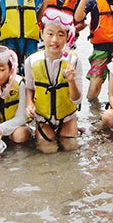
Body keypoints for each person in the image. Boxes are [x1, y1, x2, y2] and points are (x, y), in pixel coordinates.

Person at [24, 8, 83, 153]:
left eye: (60, 34)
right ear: (42, 34)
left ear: (68, 37)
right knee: (47, 150)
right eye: (50, 34)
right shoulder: (31, 61)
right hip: (43, 117)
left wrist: (71, 80)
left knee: (71, 148)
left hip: (67, 116)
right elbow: (29, 87)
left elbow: (77, 100)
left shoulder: (73, 61)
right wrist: (29, 104)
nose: (55, 40)